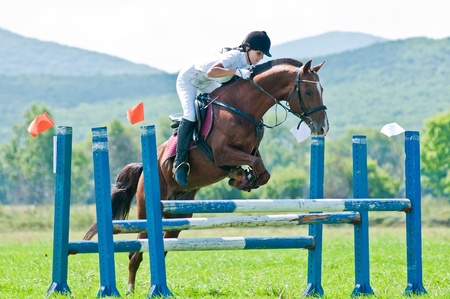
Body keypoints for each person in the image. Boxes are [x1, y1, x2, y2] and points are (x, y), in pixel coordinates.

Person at [173, 30, 272, 188]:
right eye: (258, 53)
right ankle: (179, 163)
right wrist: (238, 72)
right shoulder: (234, 56)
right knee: (191, 115)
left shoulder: (247, 64)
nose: (260, 58)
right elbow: (212, 71)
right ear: (247, 48)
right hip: (190, 79)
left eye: (262, 56)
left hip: (207, 82)